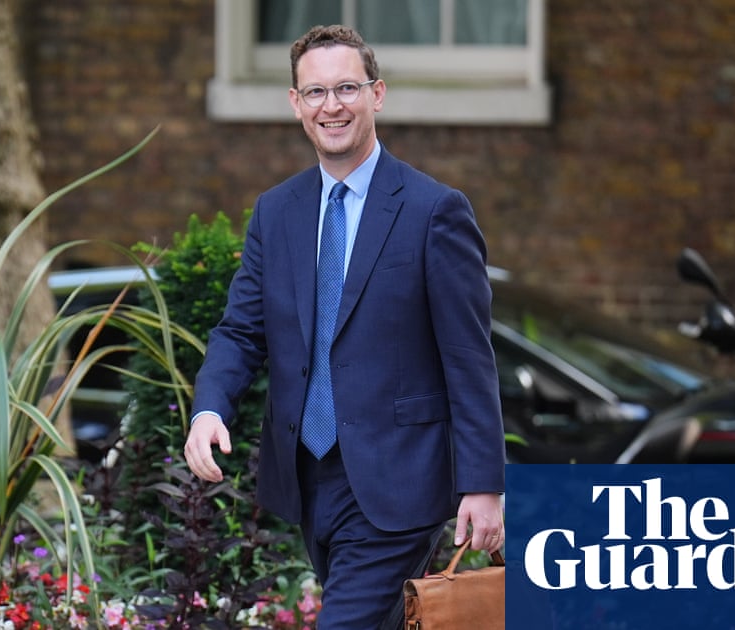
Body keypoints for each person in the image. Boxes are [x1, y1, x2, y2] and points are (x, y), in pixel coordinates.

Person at [184, 24, 505, 629]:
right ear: (296, 103)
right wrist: (208, 410)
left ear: (376, 94)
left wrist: (483, 485)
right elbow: (241, 331)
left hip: (401, 478)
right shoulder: (276, 212)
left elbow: (469, 357)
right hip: (310, 478)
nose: (331, 106)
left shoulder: (434, 211)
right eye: (316, 92)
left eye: (347, 88)